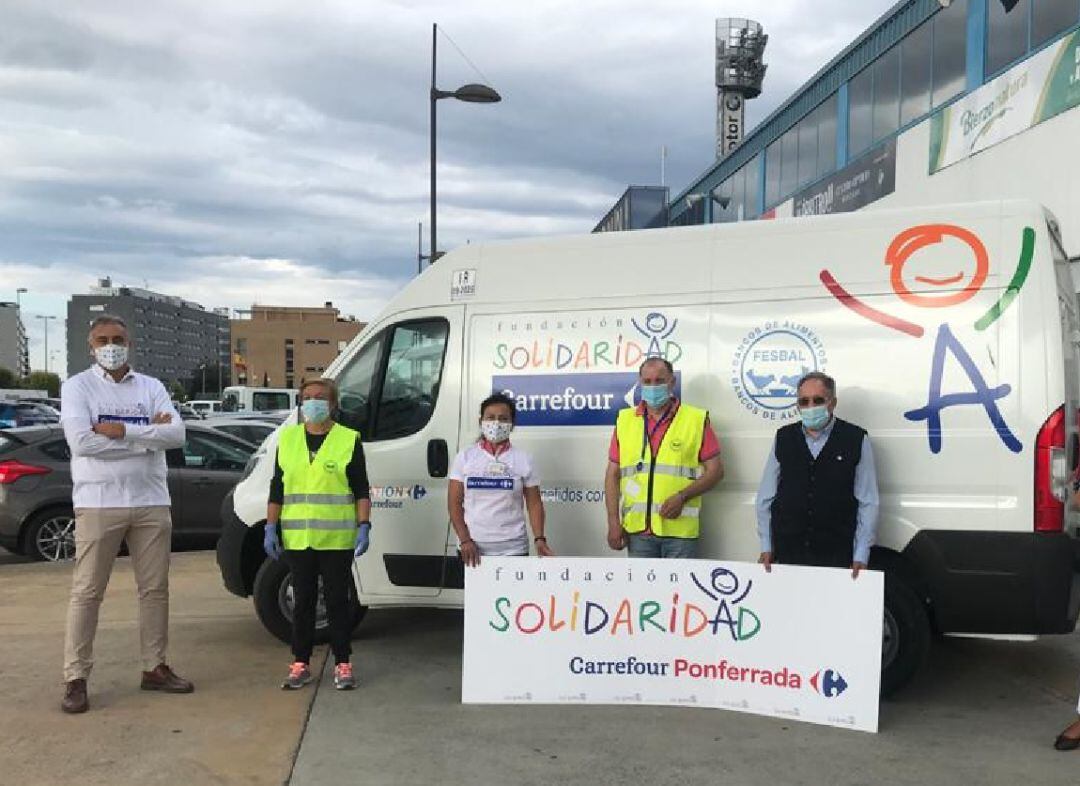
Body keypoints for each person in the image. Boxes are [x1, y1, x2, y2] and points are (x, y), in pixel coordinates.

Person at [60, 315, 190, 714]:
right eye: (103, 339)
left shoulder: (150, 386)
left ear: (129, 343)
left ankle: (155, 667)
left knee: (155, 591)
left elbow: (178, 434)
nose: (111, 345)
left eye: (117, 338)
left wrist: (124, 431)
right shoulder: (77, 387)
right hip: (99, 501)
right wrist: (148, 436)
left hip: (151, 499)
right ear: (91, 345)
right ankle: (75, 677)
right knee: (87, 592)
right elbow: (82, 443)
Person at [264, 378, 371, 690]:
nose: (313, 403)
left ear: (333, 404)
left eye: (320, 398)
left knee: (338, 601)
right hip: (298, 538)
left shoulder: (349, 439)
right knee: (303, 603)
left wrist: (364, 524)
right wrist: (271, 527)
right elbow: (277, 488)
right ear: (300, 403)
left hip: (336, 538)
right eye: (307, 397)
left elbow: (361, 488)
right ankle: (300, 663)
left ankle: (343, 663)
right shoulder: (288, 439)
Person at [755, 371, 879, 579]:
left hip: (836, 555)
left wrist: (861, 555)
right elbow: (765, 498)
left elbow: (868, 501)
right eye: (804, 401)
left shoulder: (856, 439)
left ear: (832, 403)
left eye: (818, 400)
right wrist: (767, 546)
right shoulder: (783, 438)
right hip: (789, 552)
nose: (810, 407)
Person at [604, 358, 724, 558]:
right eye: (647, 381)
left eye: (659, 381)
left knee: (678, 590)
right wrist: (613, 523)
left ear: (672, 383)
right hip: (638, 532)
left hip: (679, 534)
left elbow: (716, 471)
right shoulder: (625, 420)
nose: (653, 386)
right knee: (642, 590)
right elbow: (612, 475)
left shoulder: (694, 419)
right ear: (640, 383)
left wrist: (682, 497)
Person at [449, 393, 551, 566]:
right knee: (477, 594)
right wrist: (465, 540)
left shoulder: (524, 459)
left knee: (512, 594)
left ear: (512, 425)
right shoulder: (465, 457)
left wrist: (539, 538)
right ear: (481, 421)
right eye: (491, 417)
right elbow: (454, 504)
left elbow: (534, 503)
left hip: (514, 549)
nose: (496, 423)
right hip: (472, 548)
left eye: (503, 419)